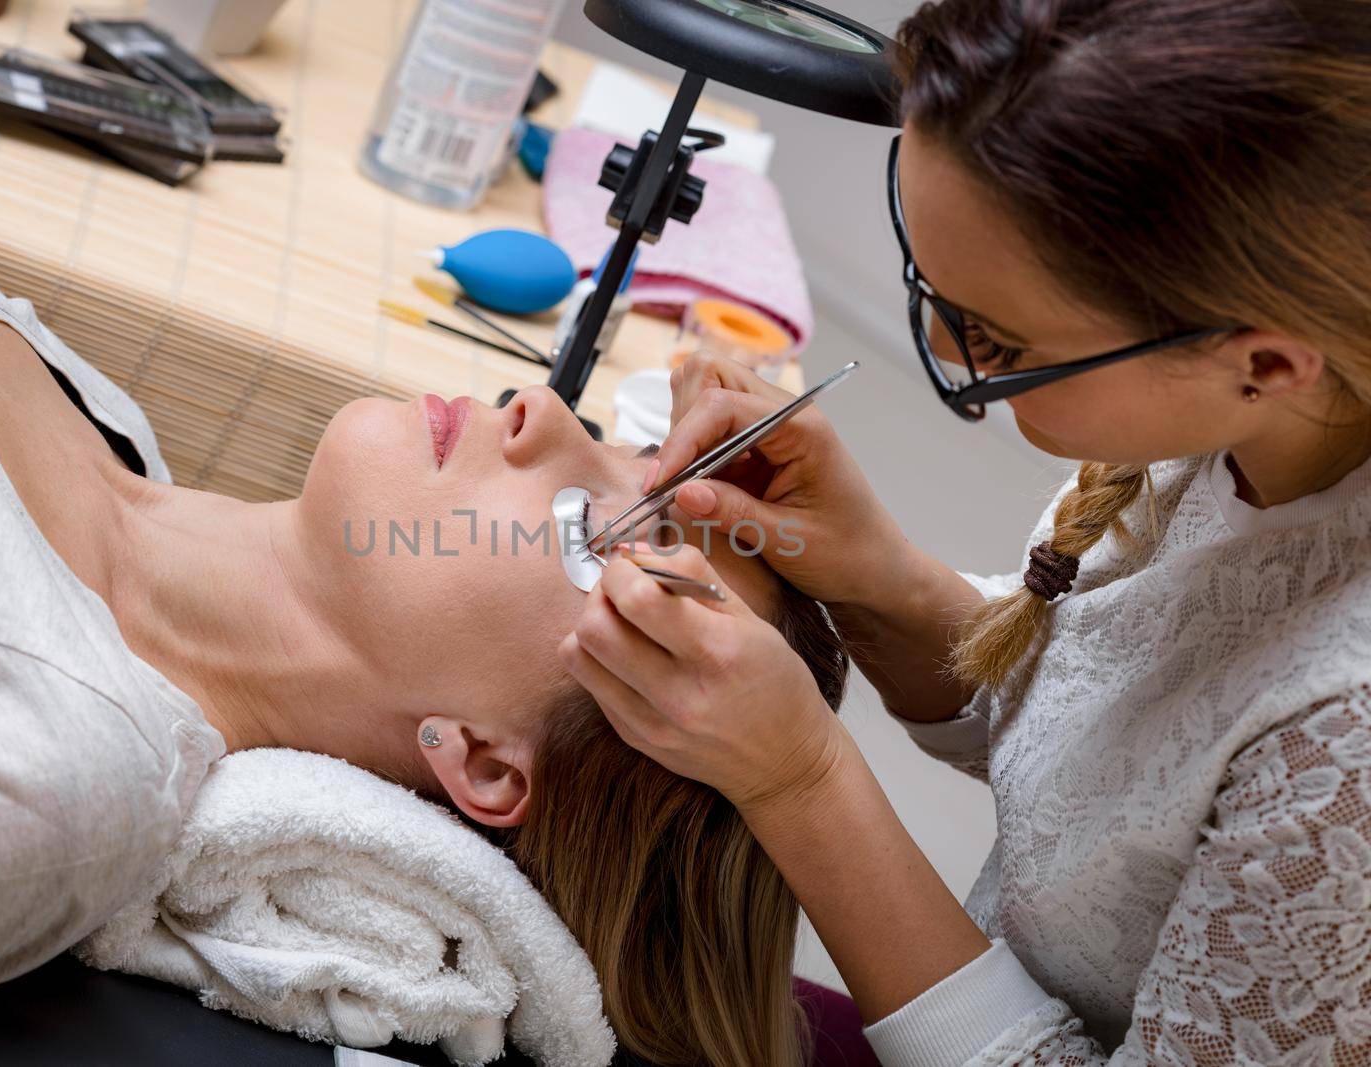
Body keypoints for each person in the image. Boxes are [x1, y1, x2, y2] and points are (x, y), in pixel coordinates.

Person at [0, 123, 850, 1066]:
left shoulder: (53, 775)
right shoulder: (109, 427)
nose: (543, 413)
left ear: (478, 755)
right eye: (631, 447)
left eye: (599, 534)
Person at [562, 0, 1371, 1061]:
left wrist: (801, 782)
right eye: (929, 283)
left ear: (1264, 363)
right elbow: (1109, 767)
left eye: (992, 335)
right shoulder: (1256, 427)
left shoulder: (1347, 741)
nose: (945, 342)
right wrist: (877, 575)